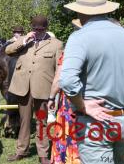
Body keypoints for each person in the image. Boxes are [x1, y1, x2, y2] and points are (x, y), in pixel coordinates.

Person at [60, 0, 124, 164]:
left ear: (80, 11)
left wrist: (82, 106)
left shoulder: (80, 37)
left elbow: (67, 81)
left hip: (96, 121)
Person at [6, 16, 63, 164]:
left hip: (43, 89)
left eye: (41, 29)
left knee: (41, 121)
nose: (38, 32)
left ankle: (42, 154)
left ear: (46, 28)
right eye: (35, 29)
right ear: (31, 28)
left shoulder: (56, 44)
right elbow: (8, 50)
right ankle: (21, 150)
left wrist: (54, 92)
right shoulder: (25, 41)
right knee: (24, 121)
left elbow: (59, 69)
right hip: (23, 88)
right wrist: (25, 39)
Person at [48, 19, 82, 164]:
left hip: (70, 100)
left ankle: (67, 159)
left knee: (67, 132)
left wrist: (51, 97)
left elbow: (59, 79)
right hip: (93, 99)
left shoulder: (71, 50)